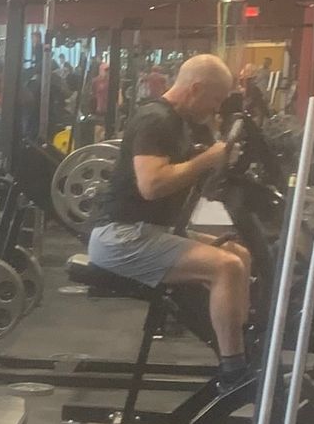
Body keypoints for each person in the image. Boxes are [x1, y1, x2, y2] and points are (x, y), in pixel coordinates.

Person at [86, 52, 252, 390]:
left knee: (242, 256)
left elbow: (187, 177)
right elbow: (152, 185)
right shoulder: (156, 119)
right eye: (215, 99)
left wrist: (213, 159)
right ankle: (234, 372)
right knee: (227, 267)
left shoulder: (180, 122)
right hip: (119, 237)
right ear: (195, 88)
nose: (216, 109)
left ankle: (241, 341)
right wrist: (207, 159)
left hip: (149, 232)